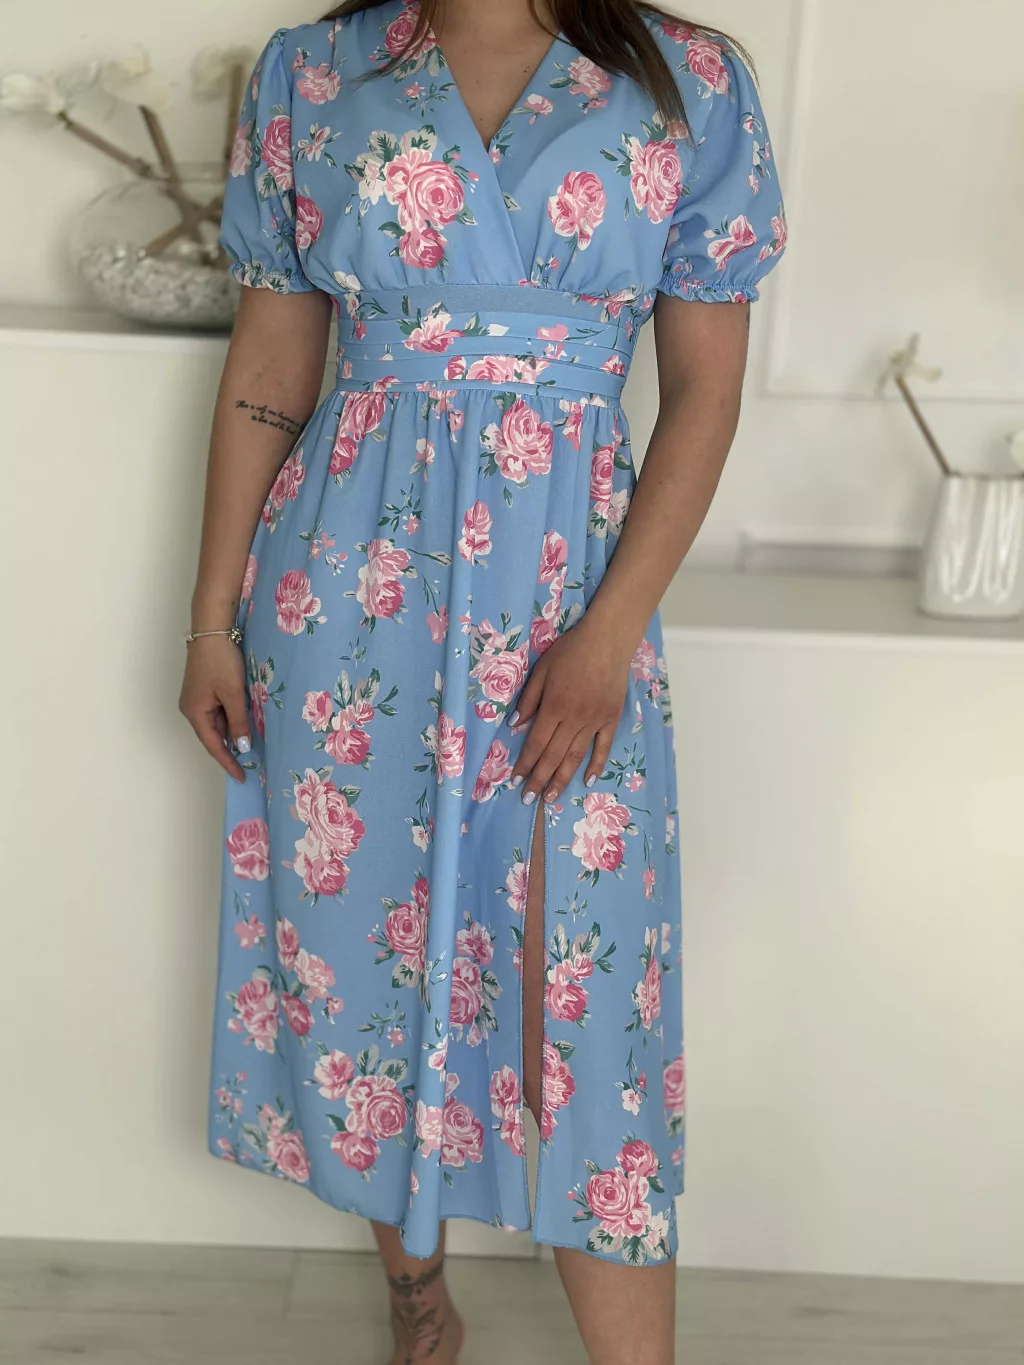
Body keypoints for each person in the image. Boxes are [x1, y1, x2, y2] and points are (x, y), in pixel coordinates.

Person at [179, 1, 786, 1360]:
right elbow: (271, 364)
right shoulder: (315, 71)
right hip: (349, 595)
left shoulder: (687, 80)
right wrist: (211, 622)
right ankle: (415, 1297)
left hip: (569, 596)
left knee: (582, 996)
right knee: (375, 954)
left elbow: (705, 391)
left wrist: (609, 636)